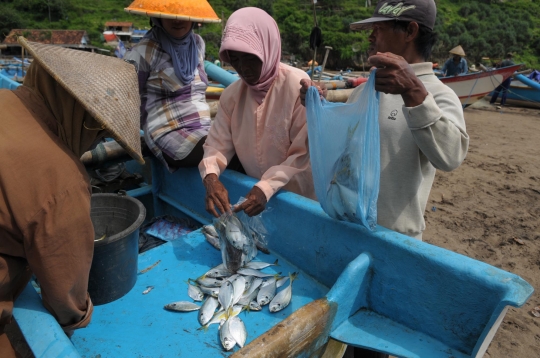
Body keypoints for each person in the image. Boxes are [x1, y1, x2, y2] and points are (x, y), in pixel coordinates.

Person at [301, 0, 469, 356]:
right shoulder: (368, 89)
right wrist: (320, 108)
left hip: (394, 244)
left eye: (380, 27)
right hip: (347, 231)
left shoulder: (439, 94)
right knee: (331, 327)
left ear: (409, 31)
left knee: (370, 340)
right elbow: (348, 150)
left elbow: (451, 156)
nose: (371, 35)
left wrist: (413, 92)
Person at [0, 38, 144, 357]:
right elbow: (66, 300)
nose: (94, 145)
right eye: (101, 135)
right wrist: (80, 315)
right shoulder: (60, 178)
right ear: (88, 120)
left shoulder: (4, 100)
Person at [199, 7, 315, 218]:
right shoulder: (232, 95)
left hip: (302, 199)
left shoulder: (297, 87)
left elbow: (303, 155)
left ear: (267, 49)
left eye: (250, 58)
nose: (243, 68)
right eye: (235, 60)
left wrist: (267, 187)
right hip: (258, 197)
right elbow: (216, 145)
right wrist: (211, 178)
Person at [124, 0, 220, 171]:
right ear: (158, 17)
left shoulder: (197, 44)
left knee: (241, 143)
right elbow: (126, 99)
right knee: (223, 149)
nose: (177, 20)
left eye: (183, 15)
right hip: (167, 131)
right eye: (170, 16)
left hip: (204, 128)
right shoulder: (143, 51)